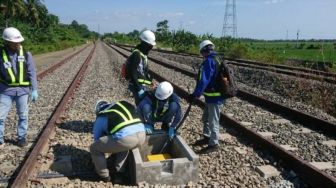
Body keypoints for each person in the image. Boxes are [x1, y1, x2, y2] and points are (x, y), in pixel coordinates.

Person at [0, 27, 38, 148]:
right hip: (5, 91)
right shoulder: (1, 54)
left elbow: (32, 72)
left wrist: (35, 89)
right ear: (7, 41)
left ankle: (21, 138)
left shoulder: (26, 54)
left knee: (23, 116)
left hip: (23, 91)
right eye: (15, 42)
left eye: (19, 41)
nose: (18, 43)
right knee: (0, 117)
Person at [90, 100, 146, 182]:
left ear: (98, 110)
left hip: (127, 140)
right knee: (121, 142)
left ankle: (104, 176)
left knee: (94, 148)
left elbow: (97, 140)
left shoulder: (102, 116)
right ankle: (119, 172)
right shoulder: (120, 107)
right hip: (142, 135)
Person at [189, 40, 224, 154]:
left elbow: (204, 80)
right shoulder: (217, 58)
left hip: (215, 97)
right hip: (212, 96)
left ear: (204, 50)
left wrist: (196, 94)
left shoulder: (209, 61)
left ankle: (214, 143)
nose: (202, 55)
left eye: (201, 52)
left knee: (213, 120)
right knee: (206, 118)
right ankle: (207, 137)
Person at [126, 30, 156, 104]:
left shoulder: (143, 53)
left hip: (141, 84)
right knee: (141, 105)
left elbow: (142, 71)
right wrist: (139, 89)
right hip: (137, 85)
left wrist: (149, 81)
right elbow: (133, 72)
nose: (151, 47)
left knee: (142, 104)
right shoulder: (137, 54)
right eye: (150, 45)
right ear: (145, 44)